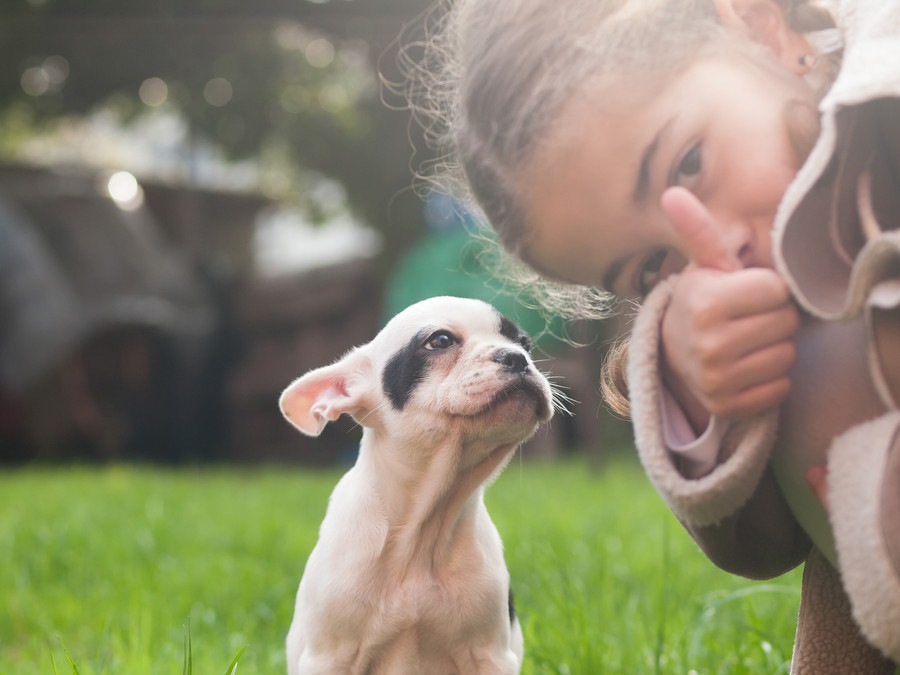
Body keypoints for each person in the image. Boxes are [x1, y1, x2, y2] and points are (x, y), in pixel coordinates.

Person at [405, 0, 900, 671]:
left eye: (690, 161)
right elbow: (765, 549)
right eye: (651, 268)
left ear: (761, 25)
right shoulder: (724, 318)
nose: (712, 247)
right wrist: (712, 400)